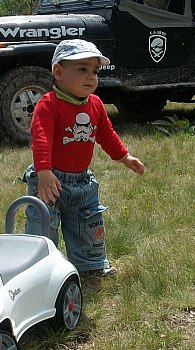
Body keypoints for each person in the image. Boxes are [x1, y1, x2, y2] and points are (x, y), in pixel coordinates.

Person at [24, 39, 145, 275]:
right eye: (82, 69)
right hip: (50, 180)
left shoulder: (95, 104)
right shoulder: (49, 105)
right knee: (44, 223)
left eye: (95, 71)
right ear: (59, 72)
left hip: (82, 181)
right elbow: (41, 139)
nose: (91, 76)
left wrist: (125, 157)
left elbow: (106, 135)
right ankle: (39, 266)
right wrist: (44, 171)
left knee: (87, 223)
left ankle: (90, 265)